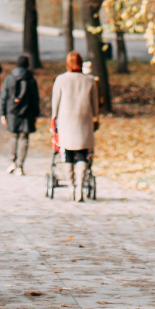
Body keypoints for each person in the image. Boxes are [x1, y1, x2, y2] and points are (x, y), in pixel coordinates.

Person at [50, 51, 101, 201]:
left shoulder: (61, 80)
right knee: (83, 154)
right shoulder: (90, 80)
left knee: (68, 155)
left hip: (66, 122)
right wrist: (95, 119)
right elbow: (95, 105)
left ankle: (71, 188)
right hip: (84, 122)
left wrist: (54, 118)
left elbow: (55, 103)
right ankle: (80, 187)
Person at [0, 55, 40, 174]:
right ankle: (20, 166)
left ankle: (12, 161)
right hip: (27, 113)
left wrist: (3, 113)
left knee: (13, 136)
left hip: (12, 112)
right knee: (24, 138)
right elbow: (35, 98)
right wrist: (35, 114)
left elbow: (4, 96)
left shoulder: (9, 78)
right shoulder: (31, 79)